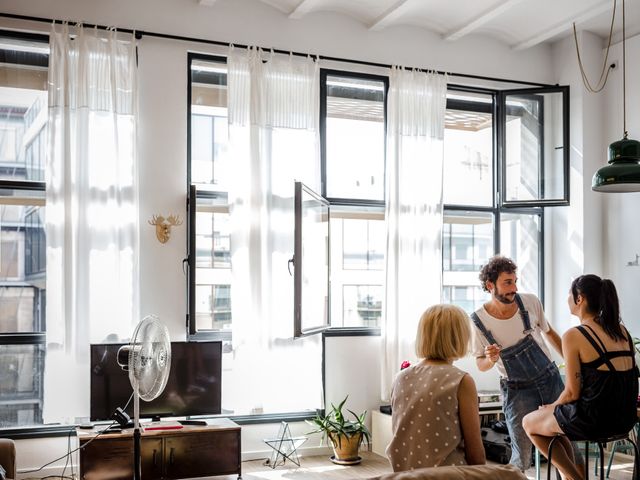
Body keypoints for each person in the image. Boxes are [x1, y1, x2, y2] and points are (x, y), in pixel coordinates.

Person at [523, 274, 638, 480]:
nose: (567, 298)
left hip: (593, 420)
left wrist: (552, 407)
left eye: (570, 294)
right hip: (624, 419)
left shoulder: (575, 335)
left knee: (529, 422)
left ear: (580, 299)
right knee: (554, 423)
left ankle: (575, 478)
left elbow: (571, 392)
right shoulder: (622, 331)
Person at [471, 255, 565, 472]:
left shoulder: (530, 301)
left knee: (565, 442)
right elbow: (480, 364)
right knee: (521, 456)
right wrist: (491, 358)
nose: (514, 288)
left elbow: (550, 333)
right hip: (516, 391)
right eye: (507, 282)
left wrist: (571, 363)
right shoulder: (478, 321)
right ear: (489, 285)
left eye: (514, 281)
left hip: (550, 381)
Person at [386, 304, 485, 472]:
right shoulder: (461, 381)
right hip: (447, 475)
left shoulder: (400, 378)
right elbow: (475, 452)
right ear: (460, 337)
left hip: (405, 475)